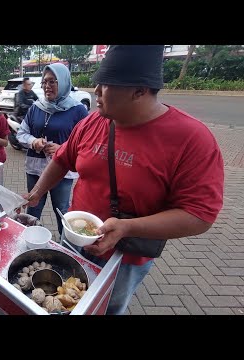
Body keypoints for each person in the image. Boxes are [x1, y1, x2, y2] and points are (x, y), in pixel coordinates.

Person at [25, 45, 225, 315]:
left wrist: (127, 227)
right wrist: (37, 192)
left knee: (106, 307)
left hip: (125, 257)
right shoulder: (93, 121)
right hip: (75, 239)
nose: (95, 92)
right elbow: (62, 159)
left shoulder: (192, 139)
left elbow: (200, 215)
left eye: (105, 85)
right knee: (62, 301)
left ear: (139, 91)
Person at [17, 63, 89, 235]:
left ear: (63, 82)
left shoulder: (78, 110)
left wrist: (63, 148)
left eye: (52, 82)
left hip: (62, 172)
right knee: (33, 208)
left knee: (61, 211)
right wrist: (33, 141)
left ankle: (65, 248)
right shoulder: (36, 107)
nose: (47, 86)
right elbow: (21, 133)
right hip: (35, 169)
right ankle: (31, 242)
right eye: (44, 82)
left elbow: (87, 144)